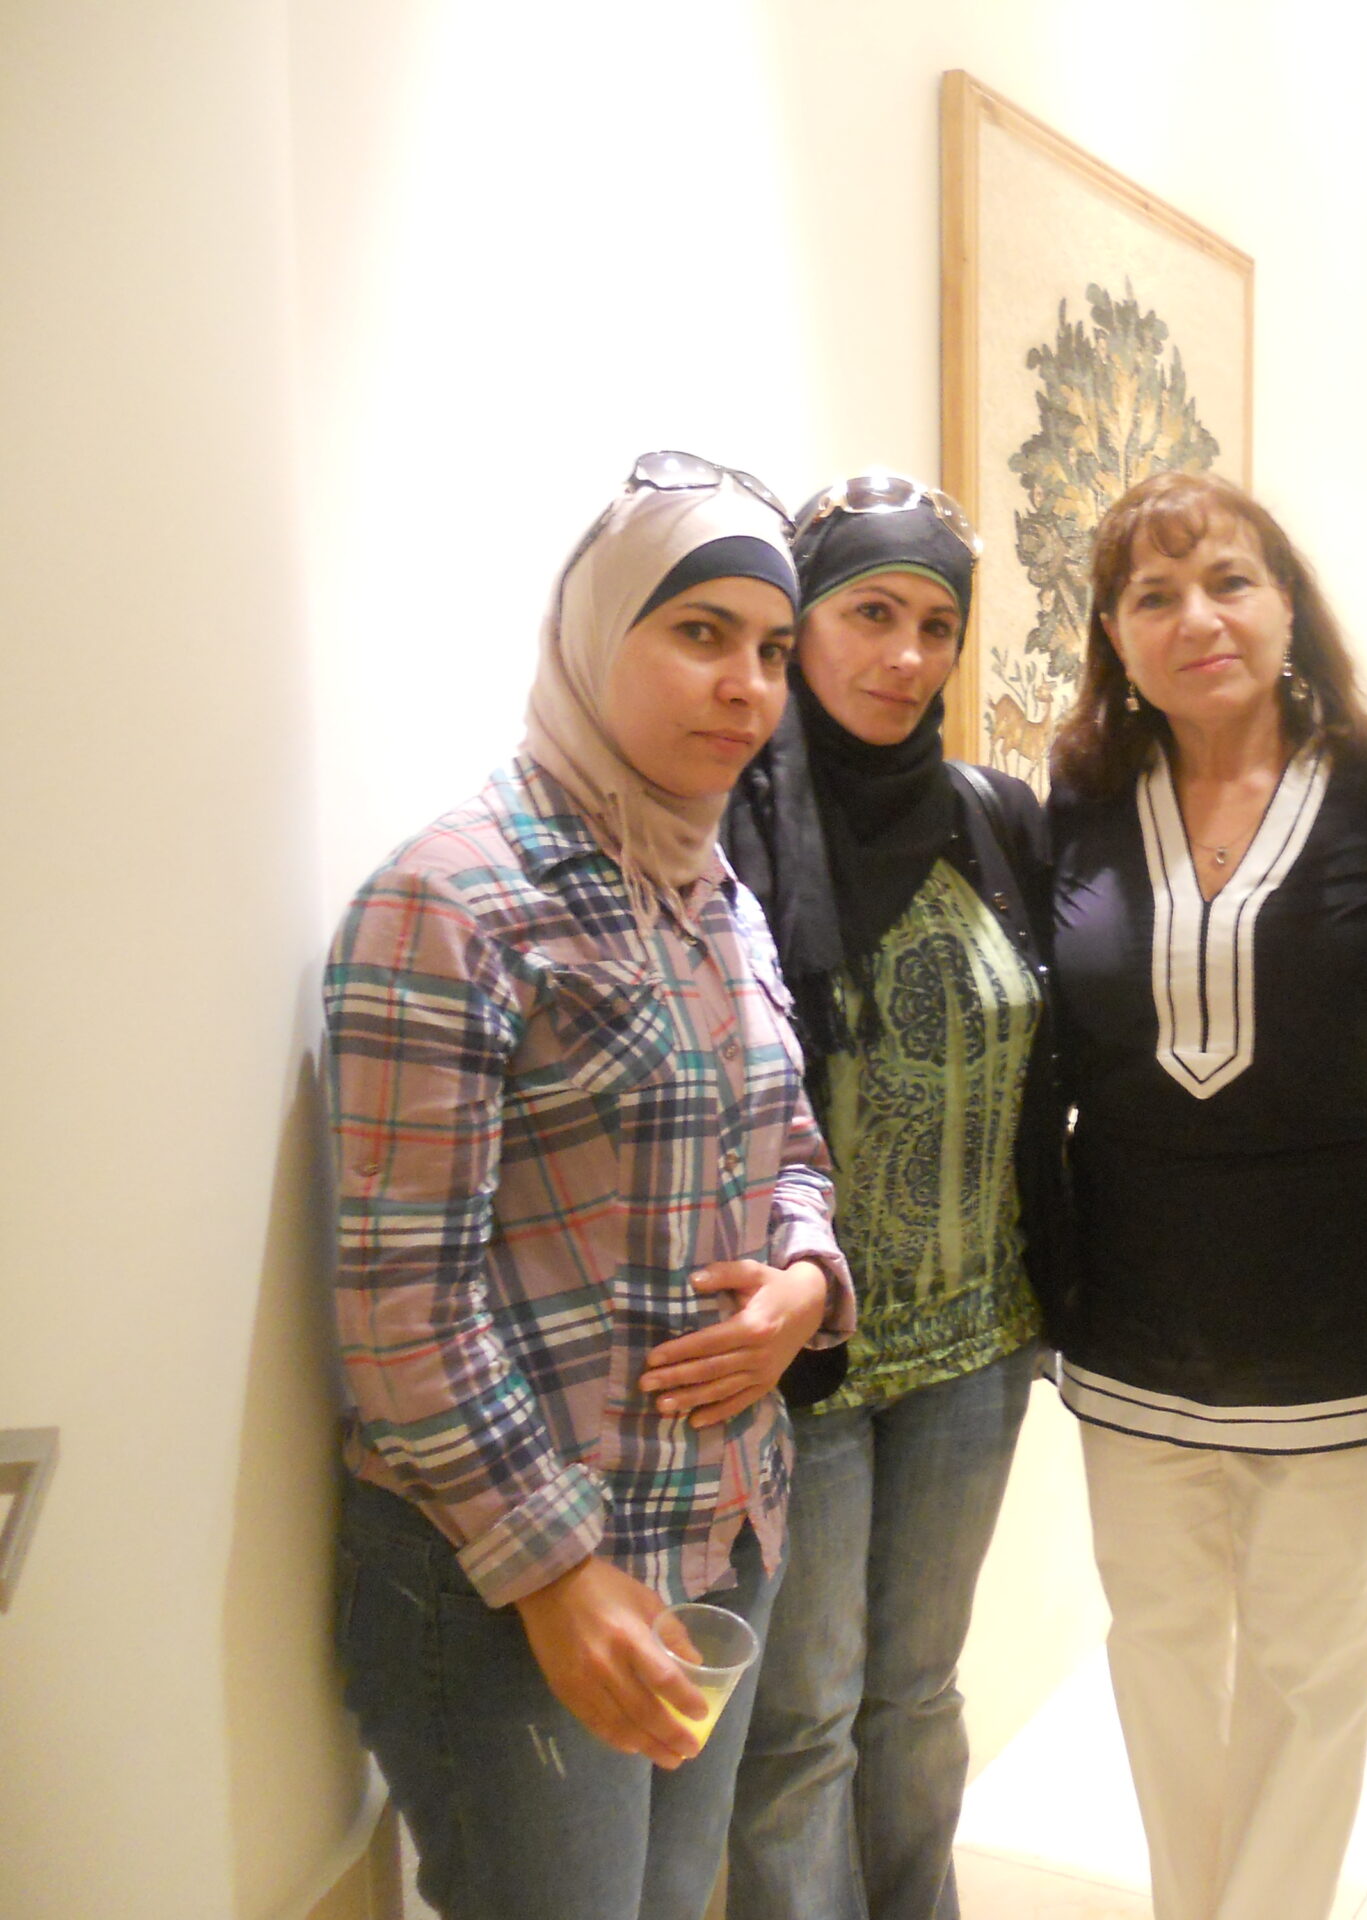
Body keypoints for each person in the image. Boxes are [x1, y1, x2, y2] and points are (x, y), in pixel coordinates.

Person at [326, 451, 855, 1920]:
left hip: (720, 1529)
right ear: (592, 633)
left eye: (771, 649)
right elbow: (397, 1307)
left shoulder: (712, 889)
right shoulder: (452, 900)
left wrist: (803, 1285)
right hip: (516, 1580)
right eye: (699, 634)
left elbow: (793, 1152)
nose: (747, 686)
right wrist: (553, 1573)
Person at [1045, 470, 1367, 1920]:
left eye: (1230, 580)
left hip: (1340, 1301)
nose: (1199, 619)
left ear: (1290, 605)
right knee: (1159, 1646)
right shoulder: (1083, 802)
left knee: (1309, 1666)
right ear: (1114, 637)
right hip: (1134, 1302)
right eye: (1154, 596)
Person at [720, 472, 1069, 1920]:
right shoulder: (724, 833)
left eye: (937, 624)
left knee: (917, 1694)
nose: (906, 657)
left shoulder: (995, 821)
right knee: (802, 1720)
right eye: (871, 613)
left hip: (976, 1344)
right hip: (800, 1355)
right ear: (799, 623)